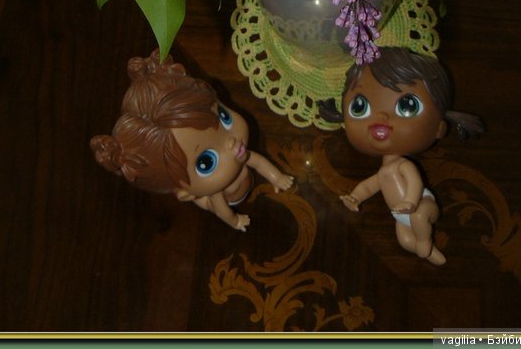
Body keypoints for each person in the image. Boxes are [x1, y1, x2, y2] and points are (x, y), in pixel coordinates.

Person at [91, 50, 294, 230]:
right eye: (206, 162)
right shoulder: (215, 194)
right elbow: (224, 213)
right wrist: (236, 221)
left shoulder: (241, 155)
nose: (231, 144)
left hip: (241, 185)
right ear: (184, 194)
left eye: (224, 116)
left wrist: (277, 178)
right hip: (227, 197)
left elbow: (259, 162)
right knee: (208, 202)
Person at [320, 47, 483, 265]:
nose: (381, 116)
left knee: (419, 218)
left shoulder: (403, 166)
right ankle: (427, 250)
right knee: (405, 241)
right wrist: (355, 197)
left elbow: (415, 184)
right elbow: (368, 187)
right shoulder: (384, 172)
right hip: (399, 215)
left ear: (439, 128)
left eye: (407, 106)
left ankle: (424, 241)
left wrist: (410, 202)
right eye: (360, 106)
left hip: (422, 205)